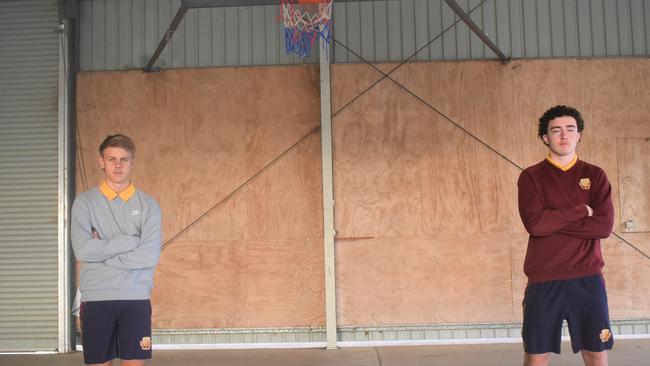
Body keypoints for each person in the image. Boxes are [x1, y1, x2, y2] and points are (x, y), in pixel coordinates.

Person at [517, 106, 615, 366]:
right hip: (544, 280)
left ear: (579, 135)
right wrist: (582, 210)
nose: (564, 136)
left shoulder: (595, 175)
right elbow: (536, 226)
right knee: (536, 357)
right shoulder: (530, 177)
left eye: (570, 129)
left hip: (587, 279)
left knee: (595, 354)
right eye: (556, 130)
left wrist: (552, 219)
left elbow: (603, 227)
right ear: (545, 137)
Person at [71, 134, 162, 366]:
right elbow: (82, 251)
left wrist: (102, 254)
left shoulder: (148, 205)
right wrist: (131, 241)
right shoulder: (84, 203)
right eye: (112, 159)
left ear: (133, 163)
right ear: (102, 162)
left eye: (124, 159)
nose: (118, 165)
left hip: (135, 298)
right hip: (96, 298)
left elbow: (149, 255)